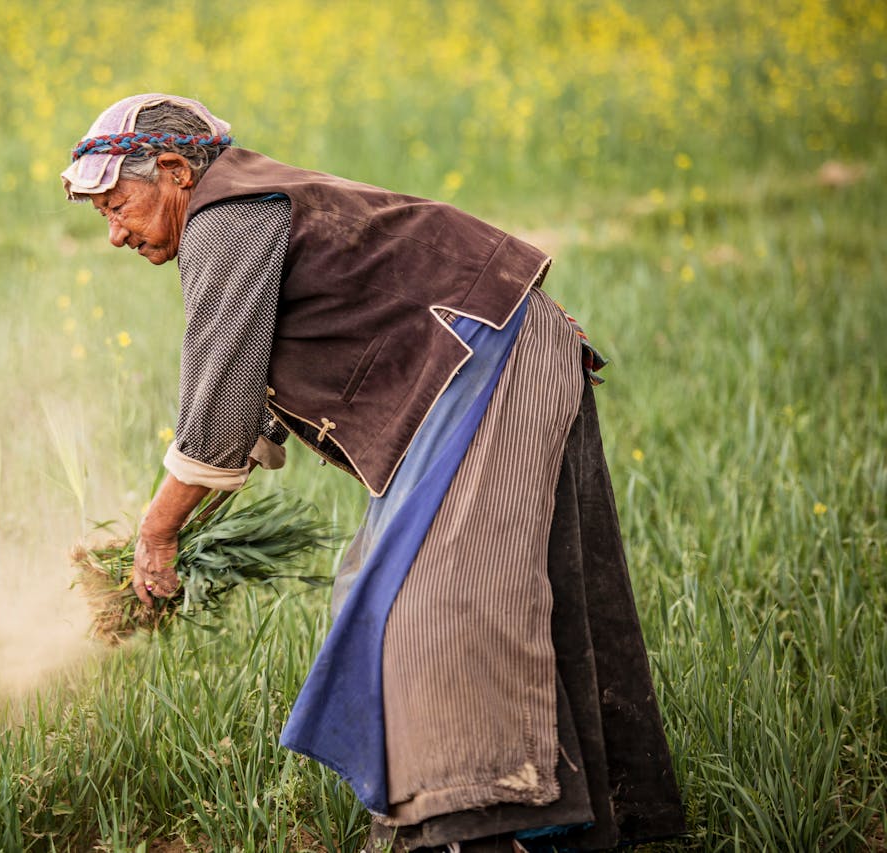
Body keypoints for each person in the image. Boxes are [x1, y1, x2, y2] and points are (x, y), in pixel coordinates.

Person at [61, 93, 685, 852]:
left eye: (119, 206)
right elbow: (246, 411)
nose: (116, 232)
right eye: (103, 217)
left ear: (172, 170)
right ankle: (534, 824)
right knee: (394, 591)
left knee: (427, 610)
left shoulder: (226, 215)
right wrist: (183, 525)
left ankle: (470, 828)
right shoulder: (235, 212)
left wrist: (156, 534)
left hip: (487, 360)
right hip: (476, 363)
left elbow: (219, 413)